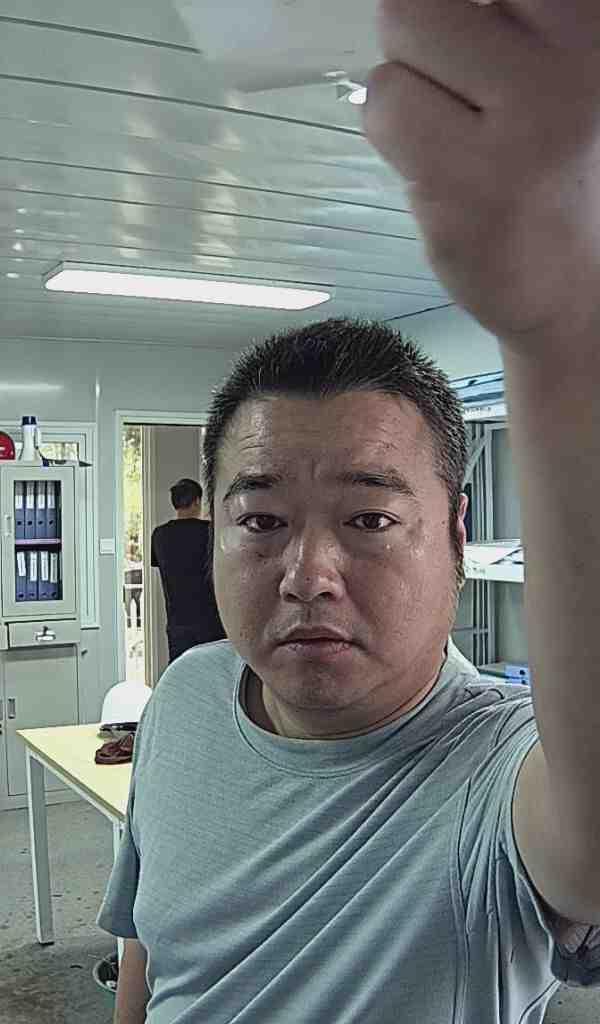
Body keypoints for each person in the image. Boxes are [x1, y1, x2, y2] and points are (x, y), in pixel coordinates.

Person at [100, 2, 600, 1021]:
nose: (307, 574)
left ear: (456, 538)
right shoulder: (187, 698)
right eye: (262, 520)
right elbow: (149, 962)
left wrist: (563, 335)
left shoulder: (501, 768)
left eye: (369, 520)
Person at [150, 478, 225, 662]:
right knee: (213, 672)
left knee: (182, 673)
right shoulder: (210, 532)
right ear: (197, 501)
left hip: (177, 624)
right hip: (211, 622)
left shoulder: (160, 535)